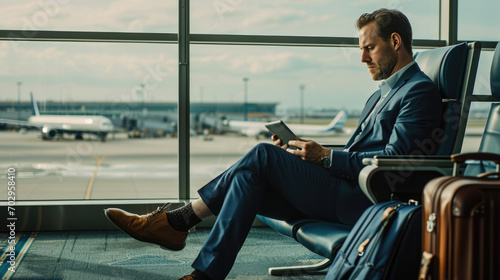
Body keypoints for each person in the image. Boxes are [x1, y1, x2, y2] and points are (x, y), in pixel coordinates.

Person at [104, 8, 443, 280]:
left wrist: (325, 157)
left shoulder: (418, 91)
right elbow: (358, 153)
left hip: (366, 202)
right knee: (248, 178)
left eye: (369, 48)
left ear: (395, 41)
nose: (363, 58)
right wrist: (306, 152)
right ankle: (204, 273)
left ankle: (176, 223)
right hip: (344, 190)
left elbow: (396, 162)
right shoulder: (379, 95)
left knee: (262, 156)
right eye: (361, 50)